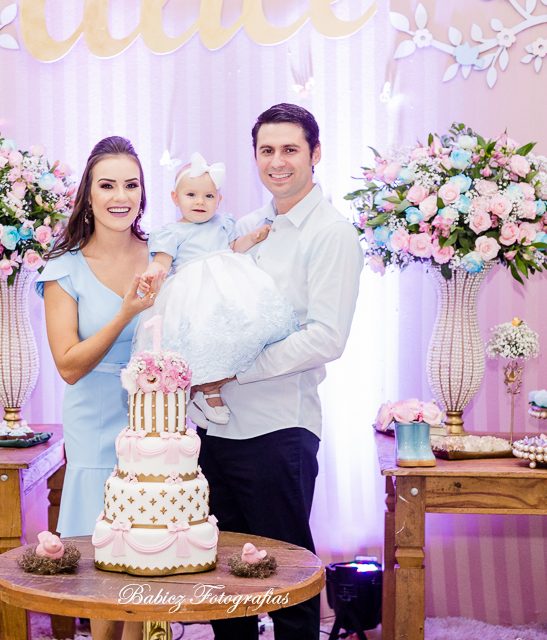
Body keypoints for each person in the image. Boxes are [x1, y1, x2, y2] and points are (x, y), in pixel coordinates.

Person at [189, 104, 363, 640]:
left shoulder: (331, 234)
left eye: (290, 149)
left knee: (285, 578)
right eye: (267, 150)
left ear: (315, 154)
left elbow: (325, 338)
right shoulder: (244, 228)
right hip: (217, 429)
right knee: (224, 578)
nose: (278, 162)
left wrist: (233, 372)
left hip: (279, 430)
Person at [37, 136, 160, 640]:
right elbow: (68, 365)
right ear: (88, 193)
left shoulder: (163, 257)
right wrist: (126, 312)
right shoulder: (62, 269)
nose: (119, 195)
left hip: (157, 423)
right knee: (102, 564)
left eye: (131, 184)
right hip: (93, 422)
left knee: (152, 557)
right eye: (107, 184)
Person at [132, 152, 299, 424]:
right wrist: (151, 273)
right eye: (191, 195)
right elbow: (162, 261)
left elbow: (233, 248)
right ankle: (197, 393)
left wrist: (253, 238)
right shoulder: (171, 232)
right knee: (196, 338)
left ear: (218, 201)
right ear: (176, 198)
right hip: (193, 292)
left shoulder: (223, 223)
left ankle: (211, 392)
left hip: (227, 284)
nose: (200, 201)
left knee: (231, 334)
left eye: (209, 196)